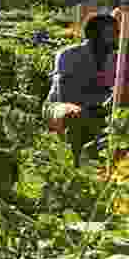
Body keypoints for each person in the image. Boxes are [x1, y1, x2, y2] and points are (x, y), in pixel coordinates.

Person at [43, 11, 118, 167]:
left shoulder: (116, 58)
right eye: (112, 32)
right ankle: (74, 165)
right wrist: (100, 104)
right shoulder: (69, 55)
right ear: (94, 34)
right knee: (76, 115)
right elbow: (66, 95)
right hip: (60, 106)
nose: (118, 35)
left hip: (99, 107)